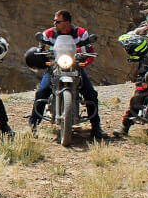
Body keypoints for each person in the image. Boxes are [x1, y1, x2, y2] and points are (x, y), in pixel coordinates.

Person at [27, 9, 107, 140]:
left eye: (58, 21)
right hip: (54, 67)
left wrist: (84, 63)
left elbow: (90, 51)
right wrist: (47, 61)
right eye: (54, 21)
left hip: (75, 67)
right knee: (42, 91)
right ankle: (33, 125)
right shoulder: (48, 34)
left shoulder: (81, 33)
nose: (55, 23)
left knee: (90, 93)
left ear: (67, 22)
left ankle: (96, 127)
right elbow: (41, 50)